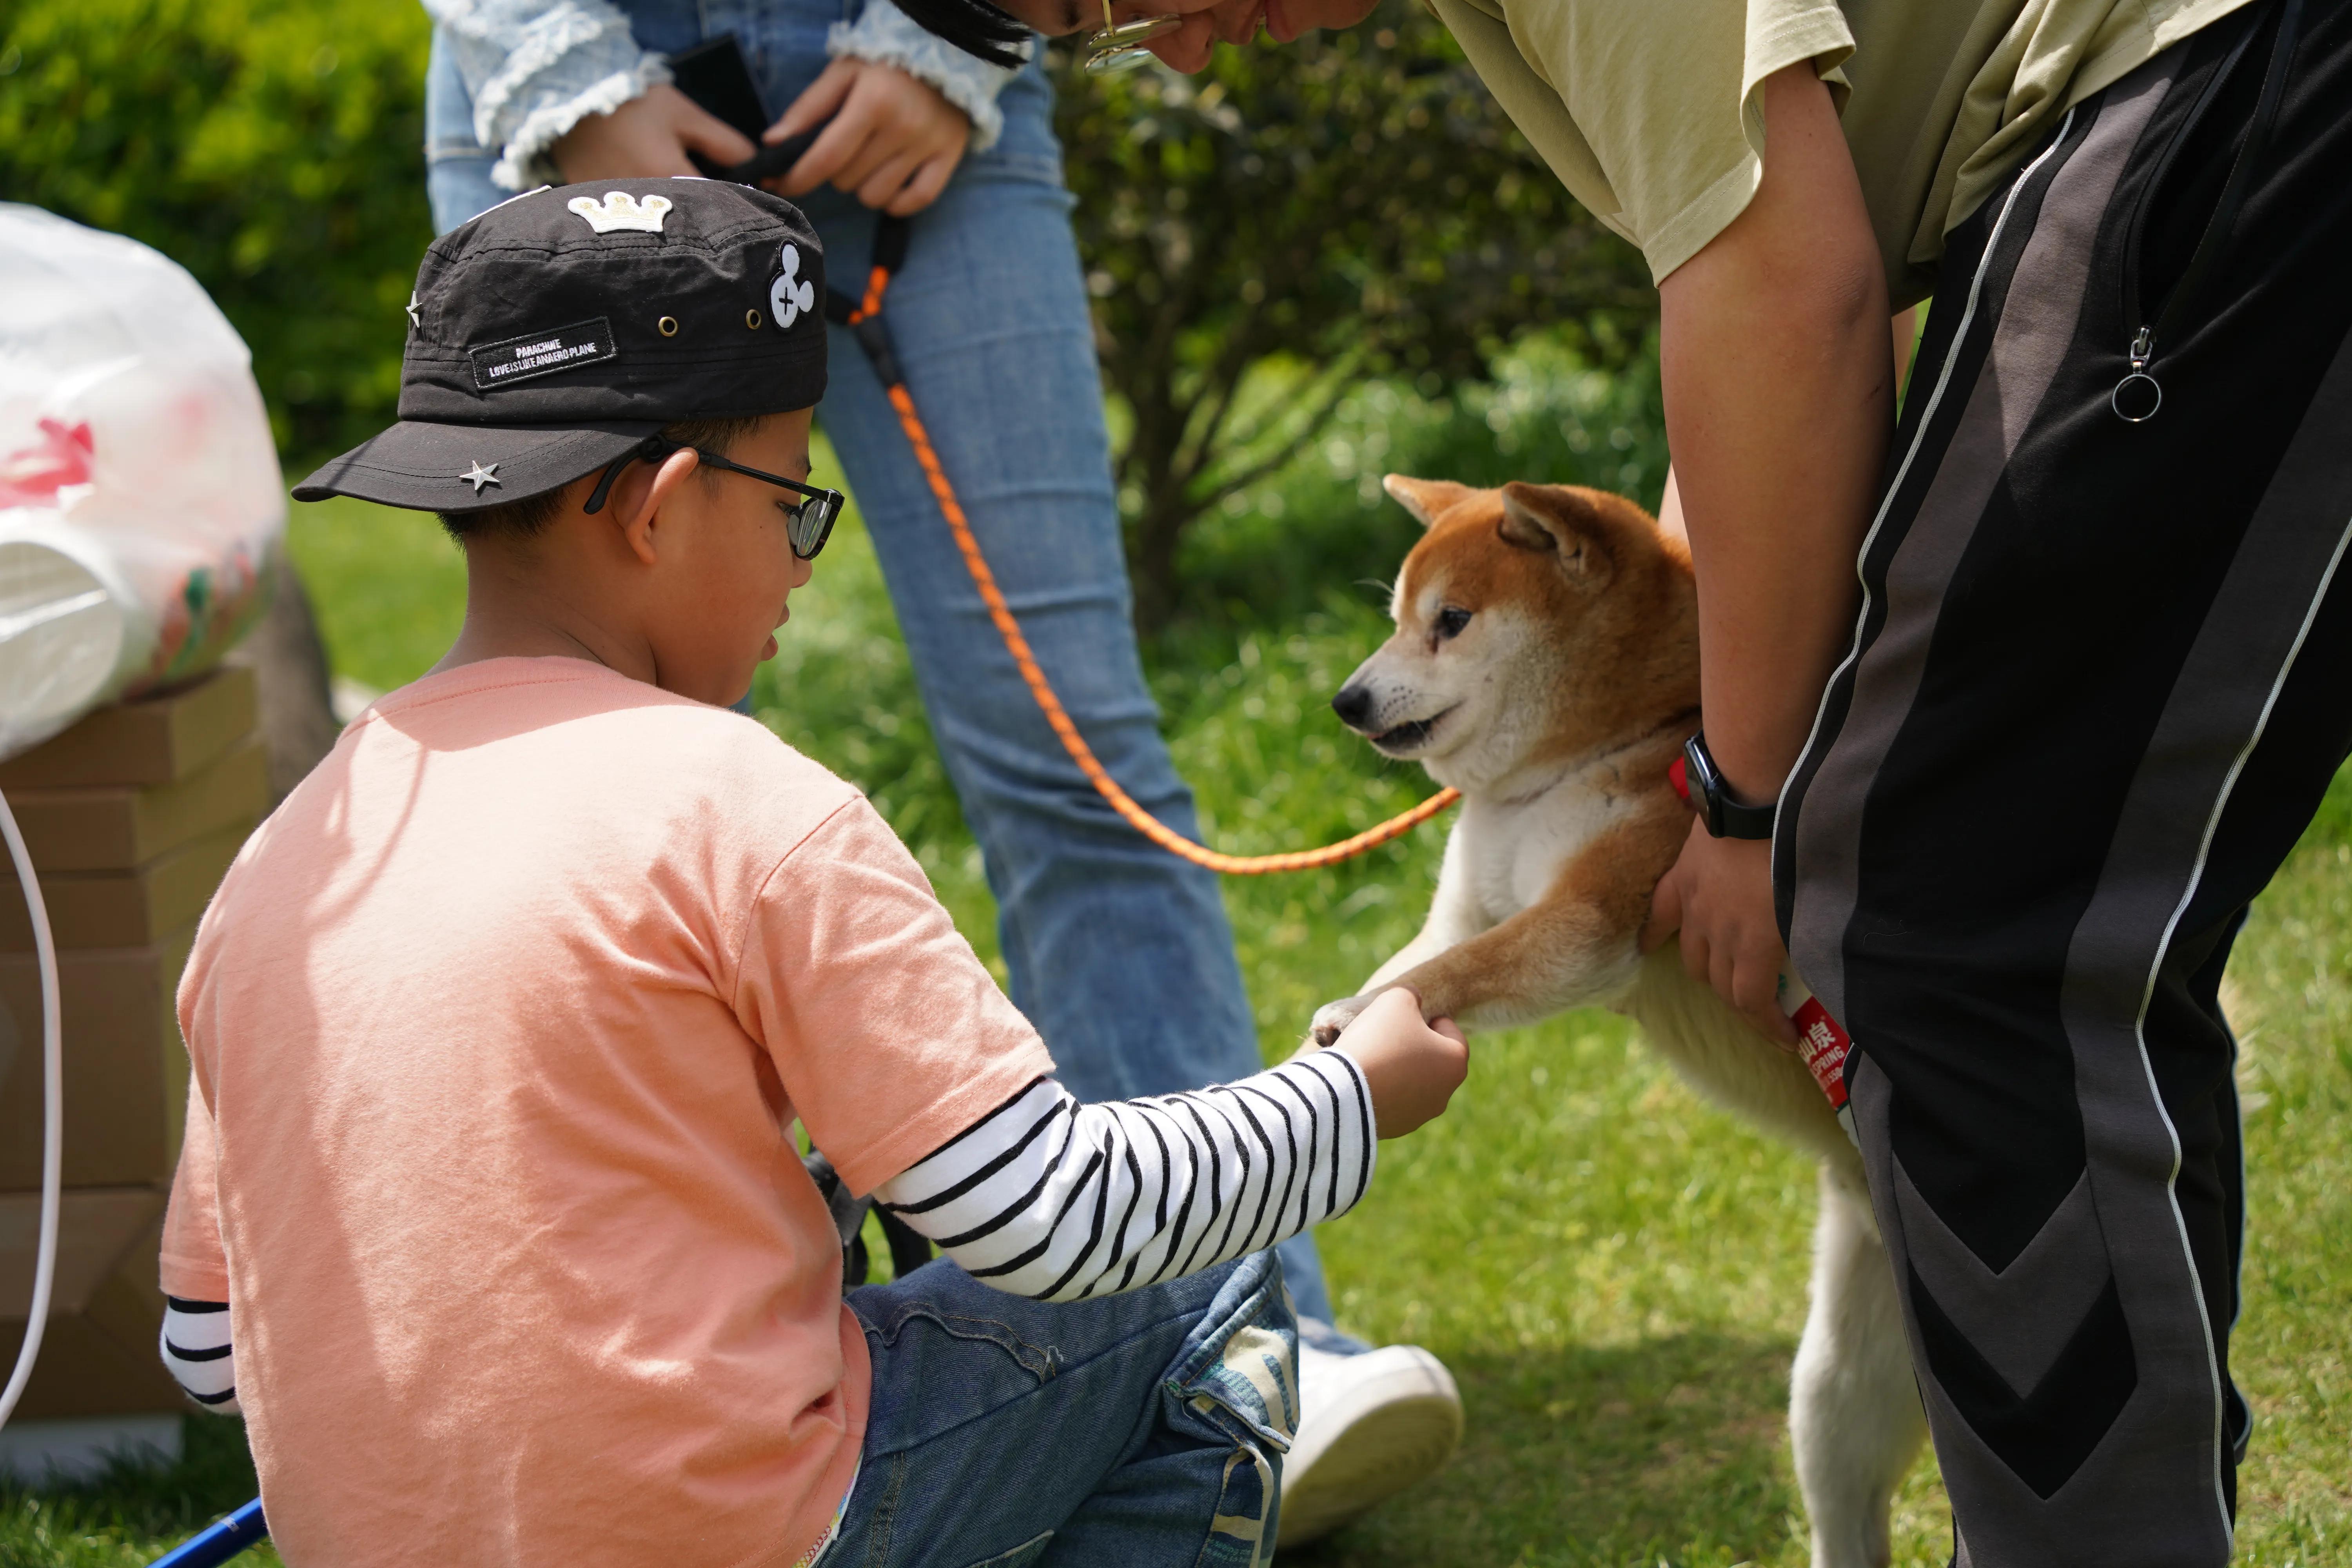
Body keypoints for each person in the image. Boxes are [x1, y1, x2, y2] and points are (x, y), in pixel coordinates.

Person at [1123, 0, 2352, 1558]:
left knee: (1965, 949)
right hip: (2141, 121)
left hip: (2219, 94)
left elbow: (1788, 292)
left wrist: (1752, 797)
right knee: (1977, 954)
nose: (1169, 54)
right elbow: (1774, 306)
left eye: (1114, 5)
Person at [155, 178, 1472, 1567]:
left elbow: (212, 1355)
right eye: (794, 501)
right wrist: (1352, 1101)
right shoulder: (743, 803)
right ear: (661, 510)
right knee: (1210, 1277)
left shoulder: (284, 862)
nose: (798, 567)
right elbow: (1048, 1219)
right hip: (744, 1533)